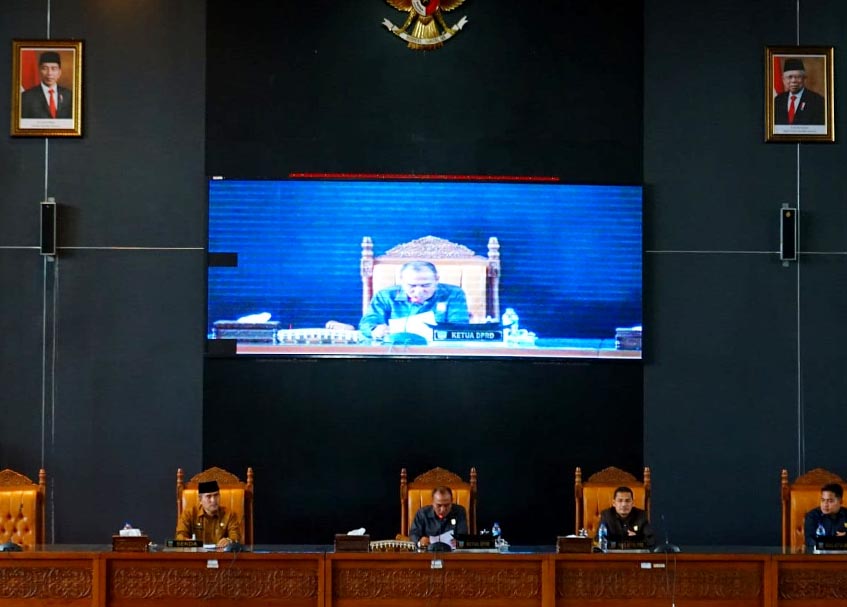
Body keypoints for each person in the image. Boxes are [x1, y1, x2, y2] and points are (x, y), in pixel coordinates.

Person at [359, 260, 469, 340]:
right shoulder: (385, 295)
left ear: (436, 279)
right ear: (402, 281)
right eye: (412, 286)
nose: (419, 291)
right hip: (396, 348)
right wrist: (375, 329)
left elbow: (458, 327)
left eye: (426, 285)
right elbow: (368, 321)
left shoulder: (453, 293)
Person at [175, 480, 241, 549]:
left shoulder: (229, 514)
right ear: (200, 499)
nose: (213, 500)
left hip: (221, 554)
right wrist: (187, 542)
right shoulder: (189, 514)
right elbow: (180, 536)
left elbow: (236, 536)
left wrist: (229, 540)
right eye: (208, 496)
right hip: (196, 554)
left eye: (216, 495)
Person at [409, 486, 468, 550]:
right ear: (432, 502)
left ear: (451, 501)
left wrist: (459, 541)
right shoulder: (422, 513)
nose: (443, 509)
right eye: (439, 505)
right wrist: (419, 542)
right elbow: (413, 534)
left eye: (447, 505)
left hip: (452, 552)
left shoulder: (459, 511)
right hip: (427, 552)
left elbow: (463, 535)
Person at [20, 51, 73, 119]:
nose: (49, 73)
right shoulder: (26, 97)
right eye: (45, 68)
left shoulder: (69, 95)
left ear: (59, 72)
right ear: (39, 71)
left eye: (54, 69)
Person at [774, 58, 825, 125]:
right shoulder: (777, 101)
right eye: (789, 77)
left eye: (798, 77)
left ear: (804, 79)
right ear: (783, 80)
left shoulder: (817, 101)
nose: (793, 81)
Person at [804, 482, 847, 548]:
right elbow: (809, 541)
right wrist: (835, 544)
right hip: (820, 553)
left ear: (840, 501)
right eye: (823, 500)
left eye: (830, 501)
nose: (825, 504)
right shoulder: (812, 516)